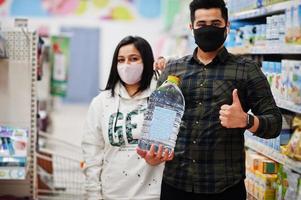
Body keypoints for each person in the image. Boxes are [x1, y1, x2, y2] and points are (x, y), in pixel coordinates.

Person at [142, 0, 282, 200]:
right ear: (191, 27)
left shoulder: (246, 70)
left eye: (215, 24)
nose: (208, 29)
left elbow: (275, 123)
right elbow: (159, 127)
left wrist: (247, 121)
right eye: (201, 24)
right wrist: (154, 154)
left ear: (227, 26)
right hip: (176, 183)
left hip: (225, 188)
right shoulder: (173, 70)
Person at [81, 36, 170, 200]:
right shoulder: (102, 102)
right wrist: (93, 194)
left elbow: (163, 146)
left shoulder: (161, 99)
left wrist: (168, 64)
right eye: (121, 60)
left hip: (151, 194)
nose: (126, 65)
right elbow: (92, 153)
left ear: (148, 61)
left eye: (134, 58)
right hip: (111, 193)